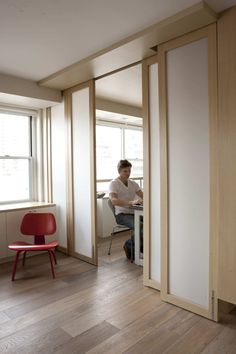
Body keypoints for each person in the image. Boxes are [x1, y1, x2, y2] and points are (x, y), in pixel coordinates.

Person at [109, 159, 143, 260]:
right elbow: (114, 200)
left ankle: (139, 248)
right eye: (125, 171)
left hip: (134, 213)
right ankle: (130, 246)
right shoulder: (114, 184)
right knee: (140, 226)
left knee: (151, 224)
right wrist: (130, 202)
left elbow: (144, 196)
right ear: (119, 171)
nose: (128, 173)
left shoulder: (133, 183)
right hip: (121, 215)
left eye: (129, 171)